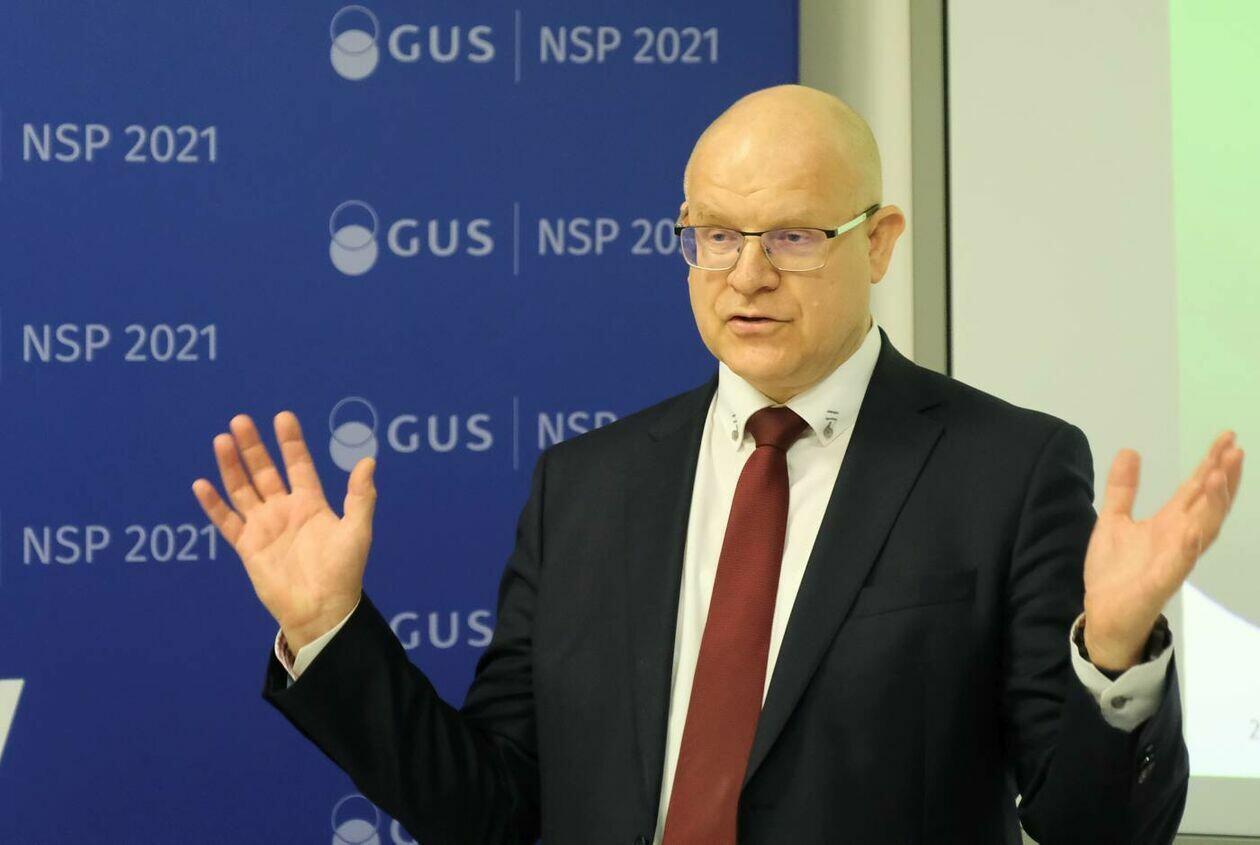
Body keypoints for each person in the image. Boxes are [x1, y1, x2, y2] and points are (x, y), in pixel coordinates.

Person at [191, 84, 1244, 844]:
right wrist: (328, 629)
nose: (746, 275)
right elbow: (494, 810)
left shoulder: (1005, 470)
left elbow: (1092, 826)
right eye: (714, 235)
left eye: (792, 236)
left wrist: (1114, 653)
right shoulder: (585, 487)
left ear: (879, 242)